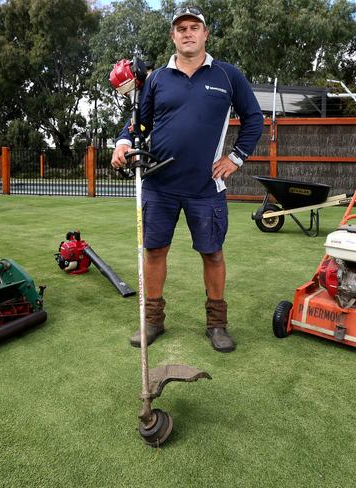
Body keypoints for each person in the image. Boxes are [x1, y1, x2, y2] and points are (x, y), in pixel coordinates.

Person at [111, 6, 263, 352]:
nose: (188, 33)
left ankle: (217, 324)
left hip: (206, 187)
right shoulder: (156, 80)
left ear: (206, 34)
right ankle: (152, 321)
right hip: (158, 184)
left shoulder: (228, 75)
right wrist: (122, 141)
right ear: (173, 36)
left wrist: (236, 158)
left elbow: (254, 119)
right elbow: (139, 123)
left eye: (195, 27)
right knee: (154, 251)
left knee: (212, 254)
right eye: (181, 28)